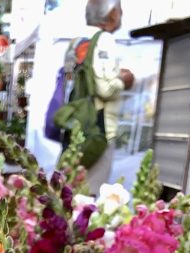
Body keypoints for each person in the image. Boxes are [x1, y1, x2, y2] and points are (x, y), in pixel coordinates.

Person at [67, 0, 134, 192]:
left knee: (72, 187)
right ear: (112, 13)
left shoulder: (77, 42)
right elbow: (104, 88)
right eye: (120, 10)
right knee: (89, 193)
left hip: (75, 122)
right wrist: (122, 80)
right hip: (98, 127)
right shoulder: (104, 40)